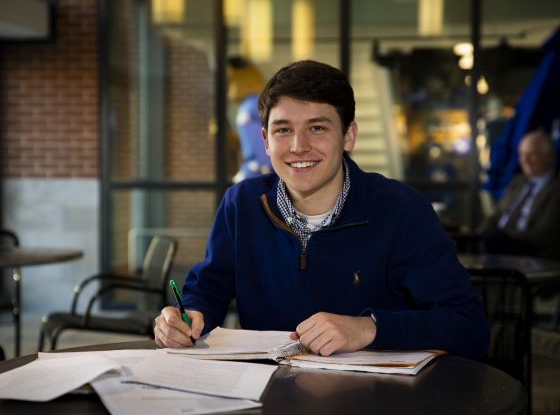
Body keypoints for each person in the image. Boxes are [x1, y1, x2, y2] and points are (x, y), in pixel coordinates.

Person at [155, 60, 490, 359]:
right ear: (266, 141)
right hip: (267, 396)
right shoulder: (241, 204)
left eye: (317, 127)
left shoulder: (402, 211)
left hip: (376, 401)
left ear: (348, 136)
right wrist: (189, 316)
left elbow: (468, 326)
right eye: (283, 129)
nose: (299, 146)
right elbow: (207, 292)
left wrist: (368, 329)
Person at [480, 130, 560, 259]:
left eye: (532, 154)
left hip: (530, 252)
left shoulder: (556, 189)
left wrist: (504, 234)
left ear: (550, 156)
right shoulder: (517, 182)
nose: (525, 160)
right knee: (463, 240)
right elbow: (497, 214)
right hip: (497, 241)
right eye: (521, 154)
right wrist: (484, 228)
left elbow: (545, 235)